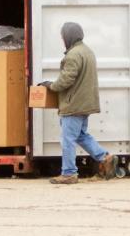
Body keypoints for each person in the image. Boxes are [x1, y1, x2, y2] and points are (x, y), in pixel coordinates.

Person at [41, 22, 116, 184]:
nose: (62, 39)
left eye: (63, 36)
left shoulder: (73, 55)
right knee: (81, 135)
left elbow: (67, 79)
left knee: (68, 139)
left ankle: (69, 173)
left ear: (69, 36)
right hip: (85, 103)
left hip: (73, 104)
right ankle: (105, 157)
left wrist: (51, 86)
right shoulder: (87, 51)